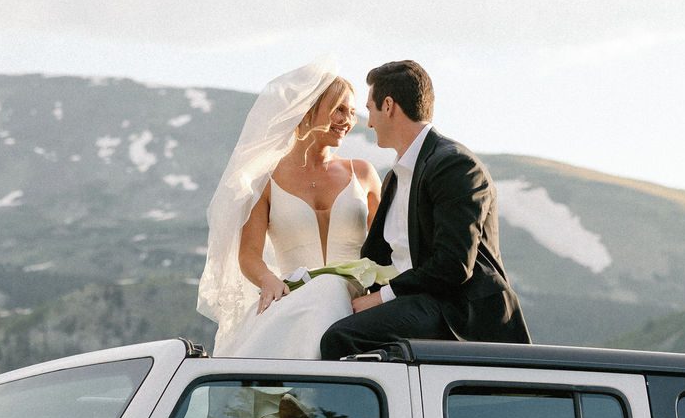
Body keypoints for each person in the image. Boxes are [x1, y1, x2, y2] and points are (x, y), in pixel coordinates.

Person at [319, 60, 530, 357]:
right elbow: (375, 256)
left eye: (370, 110)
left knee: (341, 338)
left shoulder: (455, 165)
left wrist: (383, 298)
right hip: (416, 303)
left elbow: (453, 266)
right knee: (322, 317)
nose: (368, 123)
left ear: (389, 106)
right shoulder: (396, 176)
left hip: (457, 310)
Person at [197, 61, 382, 358]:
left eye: (351, 111)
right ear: (307, 110)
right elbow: (249, 255)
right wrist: (269, 282)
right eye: (339, 109)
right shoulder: (266, 180)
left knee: (333, 291)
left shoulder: (363, 173)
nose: (348, 120)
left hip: (357, 304)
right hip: (294, 299)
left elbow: (389, 246)